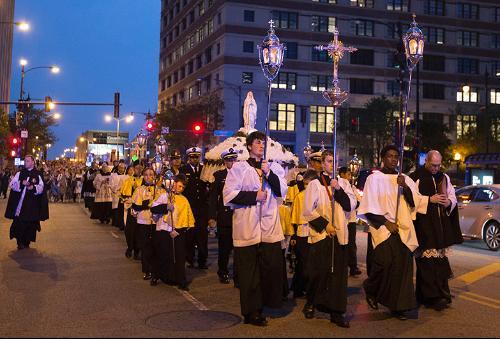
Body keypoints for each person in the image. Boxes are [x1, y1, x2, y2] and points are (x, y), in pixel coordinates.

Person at [223, 131, 288, 327]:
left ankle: (267, 302)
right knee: (249, 273)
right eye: (258, 142)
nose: (261, 145)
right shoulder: (239, 168)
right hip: (247, 228)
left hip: (268, 229)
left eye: (264, 143)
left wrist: (268, 173)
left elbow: (281, 191)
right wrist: (253, 197)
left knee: (270, 268)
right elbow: (229, 195)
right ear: (250, 146)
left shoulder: (274, 167)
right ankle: (252, 312)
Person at [357, 145, 429, 320]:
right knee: (383, 264)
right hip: (383, 228)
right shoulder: (374, 179)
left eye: (396, 156)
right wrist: (385, 222)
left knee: (402, 270)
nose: (394, 159)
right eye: (390, 156)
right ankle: (371, 289)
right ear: (383, 158)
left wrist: (405, 187)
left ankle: (398, 307)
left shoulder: (403, 179)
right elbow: (368, 205)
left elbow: (416, 203)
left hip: (403, 229)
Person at [302, 150, 357, 328]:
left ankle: (337, 311)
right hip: (323, 234)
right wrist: (325, 225)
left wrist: (338, 189)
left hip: (340, 234)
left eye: (335, 161)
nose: (332, 164)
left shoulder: (345, 184)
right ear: (322, 163)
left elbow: (350, 205)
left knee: (338, 276)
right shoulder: (315, 184)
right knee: (318, 273)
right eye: (328, 161)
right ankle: (311, 302)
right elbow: (308, 211)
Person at [409, 150, 463, 311]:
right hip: (423, 227)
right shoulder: (415, 177)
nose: (436, 168)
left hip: (439, 227)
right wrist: (428, 200)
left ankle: (440, 294)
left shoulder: (444, 177)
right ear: (426, 161)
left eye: (438, 165)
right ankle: (430, 297)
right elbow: (410, 199)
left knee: (439, 262)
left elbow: (452, 196)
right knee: (426, 264)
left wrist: (448, 203)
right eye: (433, 165)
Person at [150, 173, 194, 290]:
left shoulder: (184, 200)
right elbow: (153, 208)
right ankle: (156, 275)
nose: (181, 189)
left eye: (183, 187)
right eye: (179, 186)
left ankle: (181, 280)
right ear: (173, 184)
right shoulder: (164, 195)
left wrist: (181, 229)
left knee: (179, 255)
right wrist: (165, 207)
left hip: (177, 231)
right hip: (163, 229)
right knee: (162, 253)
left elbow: (186, 217)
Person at [208, 148, 238, 284]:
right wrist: (212, 216)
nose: (231, 162)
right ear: (225, 161)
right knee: (224, 247)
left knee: (239, 248)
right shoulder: (219, 175)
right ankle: (223, 271)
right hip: (225, 216)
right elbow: (213, 197)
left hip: (239, 215)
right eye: (228, 160)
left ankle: (238, 273)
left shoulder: (242, 174)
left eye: (233, 159)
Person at [5, 155, 48, 249]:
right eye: (25, 161)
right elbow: (12, 184)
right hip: (21, 204)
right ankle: (19, 242)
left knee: (30, 224)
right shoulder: (20, 173)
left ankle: (27, 241)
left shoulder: (38, 174)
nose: (26, 163)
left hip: (32, 204)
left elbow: (41, 187)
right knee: (19, 222)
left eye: (28, 161)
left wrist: (34, 187)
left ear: (33, 162)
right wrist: (21, 183)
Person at [131, 168, 164, 280]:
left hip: (156, 222)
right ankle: (146, 270)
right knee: (145, 247)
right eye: (146, 175)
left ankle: (156, 270)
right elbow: (135, 207)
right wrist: (144, 206)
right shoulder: (139, 190)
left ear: (154, 176)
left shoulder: (160, 190)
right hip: (144, 222)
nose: (148, 177)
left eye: (150, 175)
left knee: (156, 246)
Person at [180, 147, 209, 269]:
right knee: (189, 236)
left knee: (202, 236)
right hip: (189, 208)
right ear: (188, 158)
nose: (194, 159)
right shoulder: (183, 170)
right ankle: (189, 259)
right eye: (192, 157)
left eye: (196, 156)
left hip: (202, 209)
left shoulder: (204, 170)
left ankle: (202, 261)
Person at [289, 169, 317, 299]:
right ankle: (298, 288)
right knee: (302, 263)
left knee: (311, 263)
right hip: (302, 232)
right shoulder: (300, 196)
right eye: (305, 184)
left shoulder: (318, 195)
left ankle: (305, 287)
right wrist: (294, 236)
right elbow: (294, 217)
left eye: (309, 184)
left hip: (315, 231)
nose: (307, 187)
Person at [338, 167, 362, 277]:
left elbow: (359, 201)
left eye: (350, 174)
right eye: (347, 174)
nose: (349, 176)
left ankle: (353, 266)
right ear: (341, 174)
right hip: (341, 219)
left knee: (351, 244)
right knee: (341, 243)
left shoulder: (352, 187)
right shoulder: (338, 185)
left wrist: (354, 204)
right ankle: (341, 266)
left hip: (351, 220)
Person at [122, 162, 143, 259]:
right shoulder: (128, 180)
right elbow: (123, 195)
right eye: (137, 168)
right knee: (130, 231)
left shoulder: (144, 180)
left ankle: (137, 251)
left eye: (140, 168)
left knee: (139, 231)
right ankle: (130, 247)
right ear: (134, 169)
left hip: (142, 210)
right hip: (131, 209)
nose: (138, 170)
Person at [110, 163, 128, 229]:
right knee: (116, 209)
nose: (122, 169)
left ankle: (122, 224)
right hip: (116, 194)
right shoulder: (113, 175)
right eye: (120, 168)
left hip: (123, 195)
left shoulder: (126, 176)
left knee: (122, 210)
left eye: (123, 168)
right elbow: (111, 185)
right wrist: (118, 187)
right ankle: (116, 222)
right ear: (118, 168)